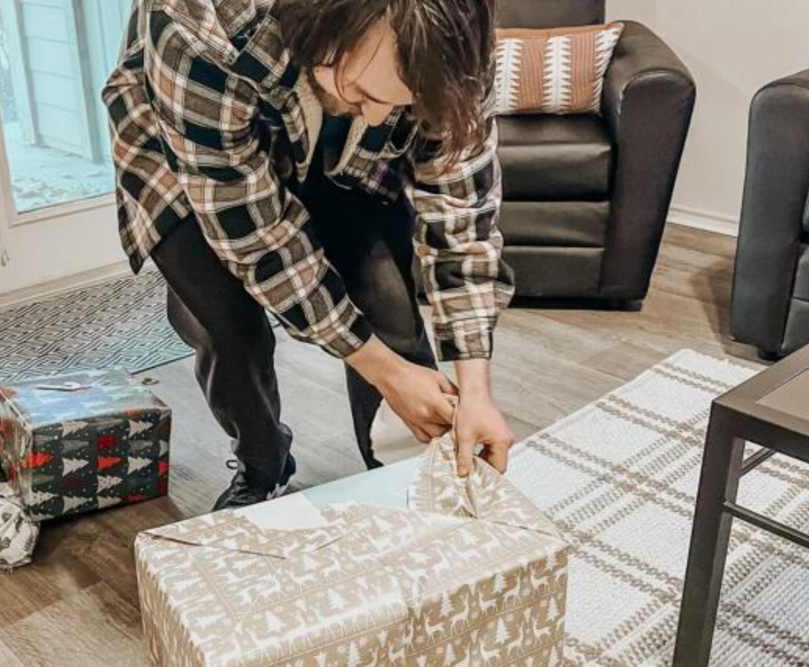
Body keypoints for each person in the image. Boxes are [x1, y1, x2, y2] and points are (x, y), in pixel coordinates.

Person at [103, 0, 516, 510]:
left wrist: (475, 386)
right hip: (191, 145)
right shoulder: (197, 25)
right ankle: (263, 462)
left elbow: (462, 212)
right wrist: (384, 372)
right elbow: (258, 239)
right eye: (365, 93)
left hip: (336, 144)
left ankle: (403, 473)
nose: (381, 118)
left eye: (402, 107)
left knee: (387, 301)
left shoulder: (459, 36)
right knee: (225, 324)